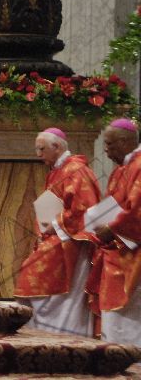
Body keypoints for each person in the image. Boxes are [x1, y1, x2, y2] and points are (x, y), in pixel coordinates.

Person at [14, 128, 99, 337]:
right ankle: (42, 330)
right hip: (58, 237)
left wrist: (56, 224)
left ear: (57, 147)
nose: (38, 155)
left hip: (72, 242)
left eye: (42, 149)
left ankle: (66, 334)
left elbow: (84, 209)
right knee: (30, 276)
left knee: (34, 275)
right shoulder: (58, 170)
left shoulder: (75, 170)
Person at [87, 119, 141, 344]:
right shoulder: (121, 170)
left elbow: (137, 210)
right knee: (113, 323)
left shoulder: (138, 166)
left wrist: (111, 228)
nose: (106, 150)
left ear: (125, 141)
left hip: (133, 255)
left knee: (129, 323)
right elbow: (113, 204)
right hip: (116, 252)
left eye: (109, 144)